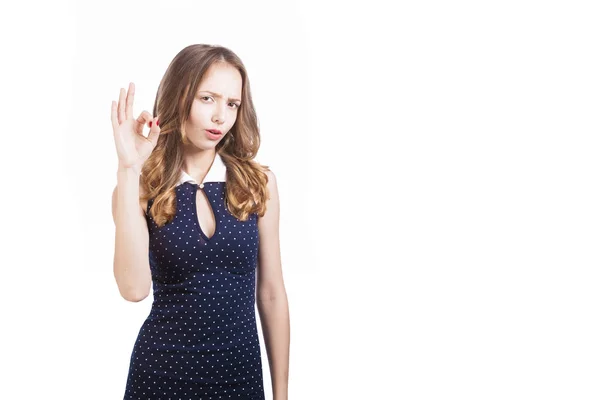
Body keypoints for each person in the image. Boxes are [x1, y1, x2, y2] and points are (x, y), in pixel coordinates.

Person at [110, 44, 290, 399]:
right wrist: (128, 170)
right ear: (180, 97)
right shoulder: (140, 188)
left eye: (232, 104)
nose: (221, 117)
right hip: (161, 378)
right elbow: (134, 290)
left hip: (240, 380)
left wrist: (281, 393)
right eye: (208, 99)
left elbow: (270, 293)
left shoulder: (257, 184)